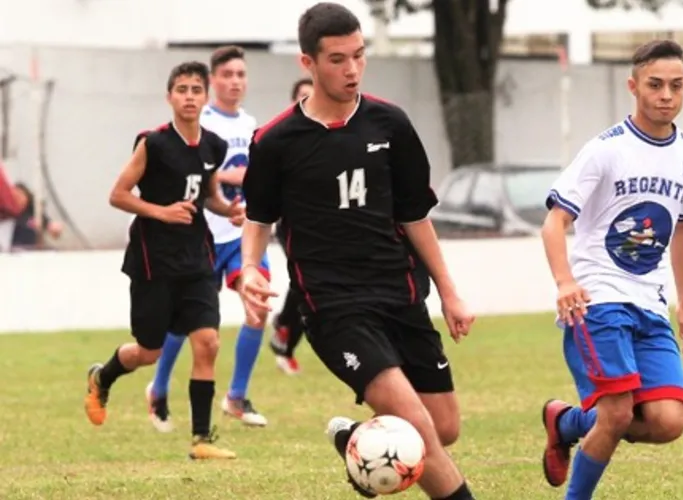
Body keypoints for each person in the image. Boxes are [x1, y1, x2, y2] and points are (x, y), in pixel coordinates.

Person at [238, 3, 475, 499]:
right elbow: (258, 219)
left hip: (400, 292)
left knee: (443, 427)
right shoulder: (276, 141)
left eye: (359, 56)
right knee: (417, 428)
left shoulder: (390, 124)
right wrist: (250, 268)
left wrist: (450, 292)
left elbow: (415, 217)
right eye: (338, 59)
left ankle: (354, 440)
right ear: (308, 63)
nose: (352, 69)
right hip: (333, 305)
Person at [538, 40, 683, 500]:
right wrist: (565, 281)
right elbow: (554, 222)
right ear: (634, 87)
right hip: (598, 299)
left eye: (676, 86)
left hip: (650, 304)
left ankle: (566, 422)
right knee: (616, 412)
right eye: (655, 85)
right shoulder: (605, 150)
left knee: (668, 422)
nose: (666, 95)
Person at [83, 61, 243, 459]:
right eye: (182, 90)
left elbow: (208, 196)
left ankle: (201, 440)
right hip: (153, 260)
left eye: (196, 90)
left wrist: (229, 211)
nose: (189, 97)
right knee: (148, 351)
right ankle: (102, 377)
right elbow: (118, 194)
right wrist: (161, 212)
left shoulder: (213, 146)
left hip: (196, 258)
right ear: (169, 96)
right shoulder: (153, 144)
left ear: (205, 97)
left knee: (207, 342)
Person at [146, 45, 269, 432]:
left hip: (241, 237)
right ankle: (159, 388)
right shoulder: (200, 122)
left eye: (241, 75)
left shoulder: (251, 124)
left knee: (258, 307)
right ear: (212, 81)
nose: (235, 82)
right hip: (202, 240)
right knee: (184, 323)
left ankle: (236, 396)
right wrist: (233, 178)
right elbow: (197, 173)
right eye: (227, 75)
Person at [268, 76, 314, 376]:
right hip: (290, 222)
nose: (307, 101)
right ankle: (285, 332)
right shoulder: (283, 137)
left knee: (310, 283)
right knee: (305, 278)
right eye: (301, 96)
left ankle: (285, 329)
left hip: (321, 224)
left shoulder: (330, 134)